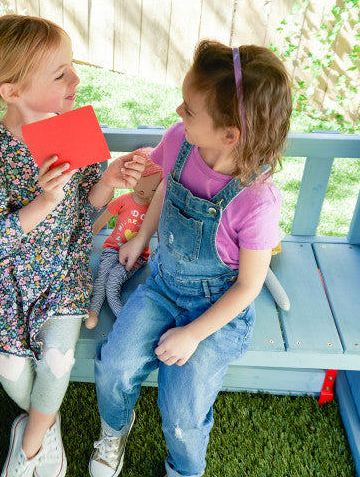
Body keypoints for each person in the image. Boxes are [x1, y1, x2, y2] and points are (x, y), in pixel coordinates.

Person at [89, 40, 292, 477]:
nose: (179, 111)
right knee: (115, 366)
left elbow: (248, 287)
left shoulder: (257, 200)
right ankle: (114, 429)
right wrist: (141, 237)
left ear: (230, 134)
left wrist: (193, 335)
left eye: (189, 108)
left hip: (216, 309)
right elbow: (166, 189)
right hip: (162, 285)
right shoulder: (179, 140)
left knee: (182, 409)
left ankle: (183, 469)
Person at [0, 14, 146, 477]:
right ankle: (48, 421)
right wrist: (45, 199)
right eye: (60, 73)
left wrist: (106, 180)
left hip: (62, 272)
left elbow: (83, 220)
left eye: (72, 67)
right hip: (4, 276)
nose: (76, 80)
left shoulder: (74, 134)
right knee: (8, 365)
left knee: (58, 359)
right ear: (12, 92)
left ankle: (30, 445)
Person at [85, 148, 163, 329]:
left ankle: (121, 315)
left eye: (153, 187)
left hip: (137, 257)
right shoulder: (124, 201)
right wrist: (88, 239)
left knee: (114, 279)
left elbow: (161, 234)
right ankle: (93, 311)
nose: (145, 190)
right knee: (102, 276)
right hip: (111, 248)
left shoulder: (154, 209)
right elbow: (102, 219)